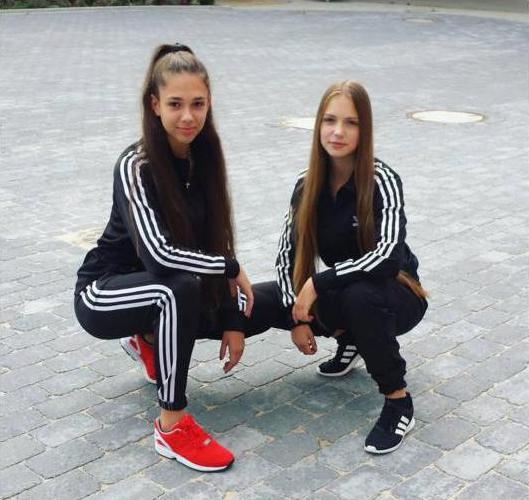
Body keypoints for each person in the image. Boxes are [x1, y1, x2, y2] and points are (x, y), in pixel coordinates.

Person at [74, 43, 254, 472]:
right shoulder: (135, 165)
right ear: (155, 105)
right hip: (103, 292)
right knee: (177, 289)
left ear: (209, 103)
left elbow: (215, 239)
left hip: (159, 288)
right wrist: (229, 268)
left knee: (248, 301)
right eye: (175, 104)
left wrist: (233, 318)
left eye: (198, 104)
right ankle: (171, 426)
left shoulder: (204, 158)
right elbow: (158, 258)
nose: (188, 116)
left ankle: (149, 340)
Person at [244, 81, 428, 454]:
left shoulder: (382, 180)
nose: (338, 132)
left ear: (365, 129)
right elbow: (287, 253)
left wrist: (318, 283)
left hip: (397, 295)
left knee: (360, 296)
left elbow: (388, 256)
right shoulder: (306, 184)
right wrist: (295, 316)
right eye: (330, 120)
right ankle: (158, 345)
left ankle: (398, 400)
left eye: (351, 122)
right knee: (255, 300)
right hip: (341, 292)